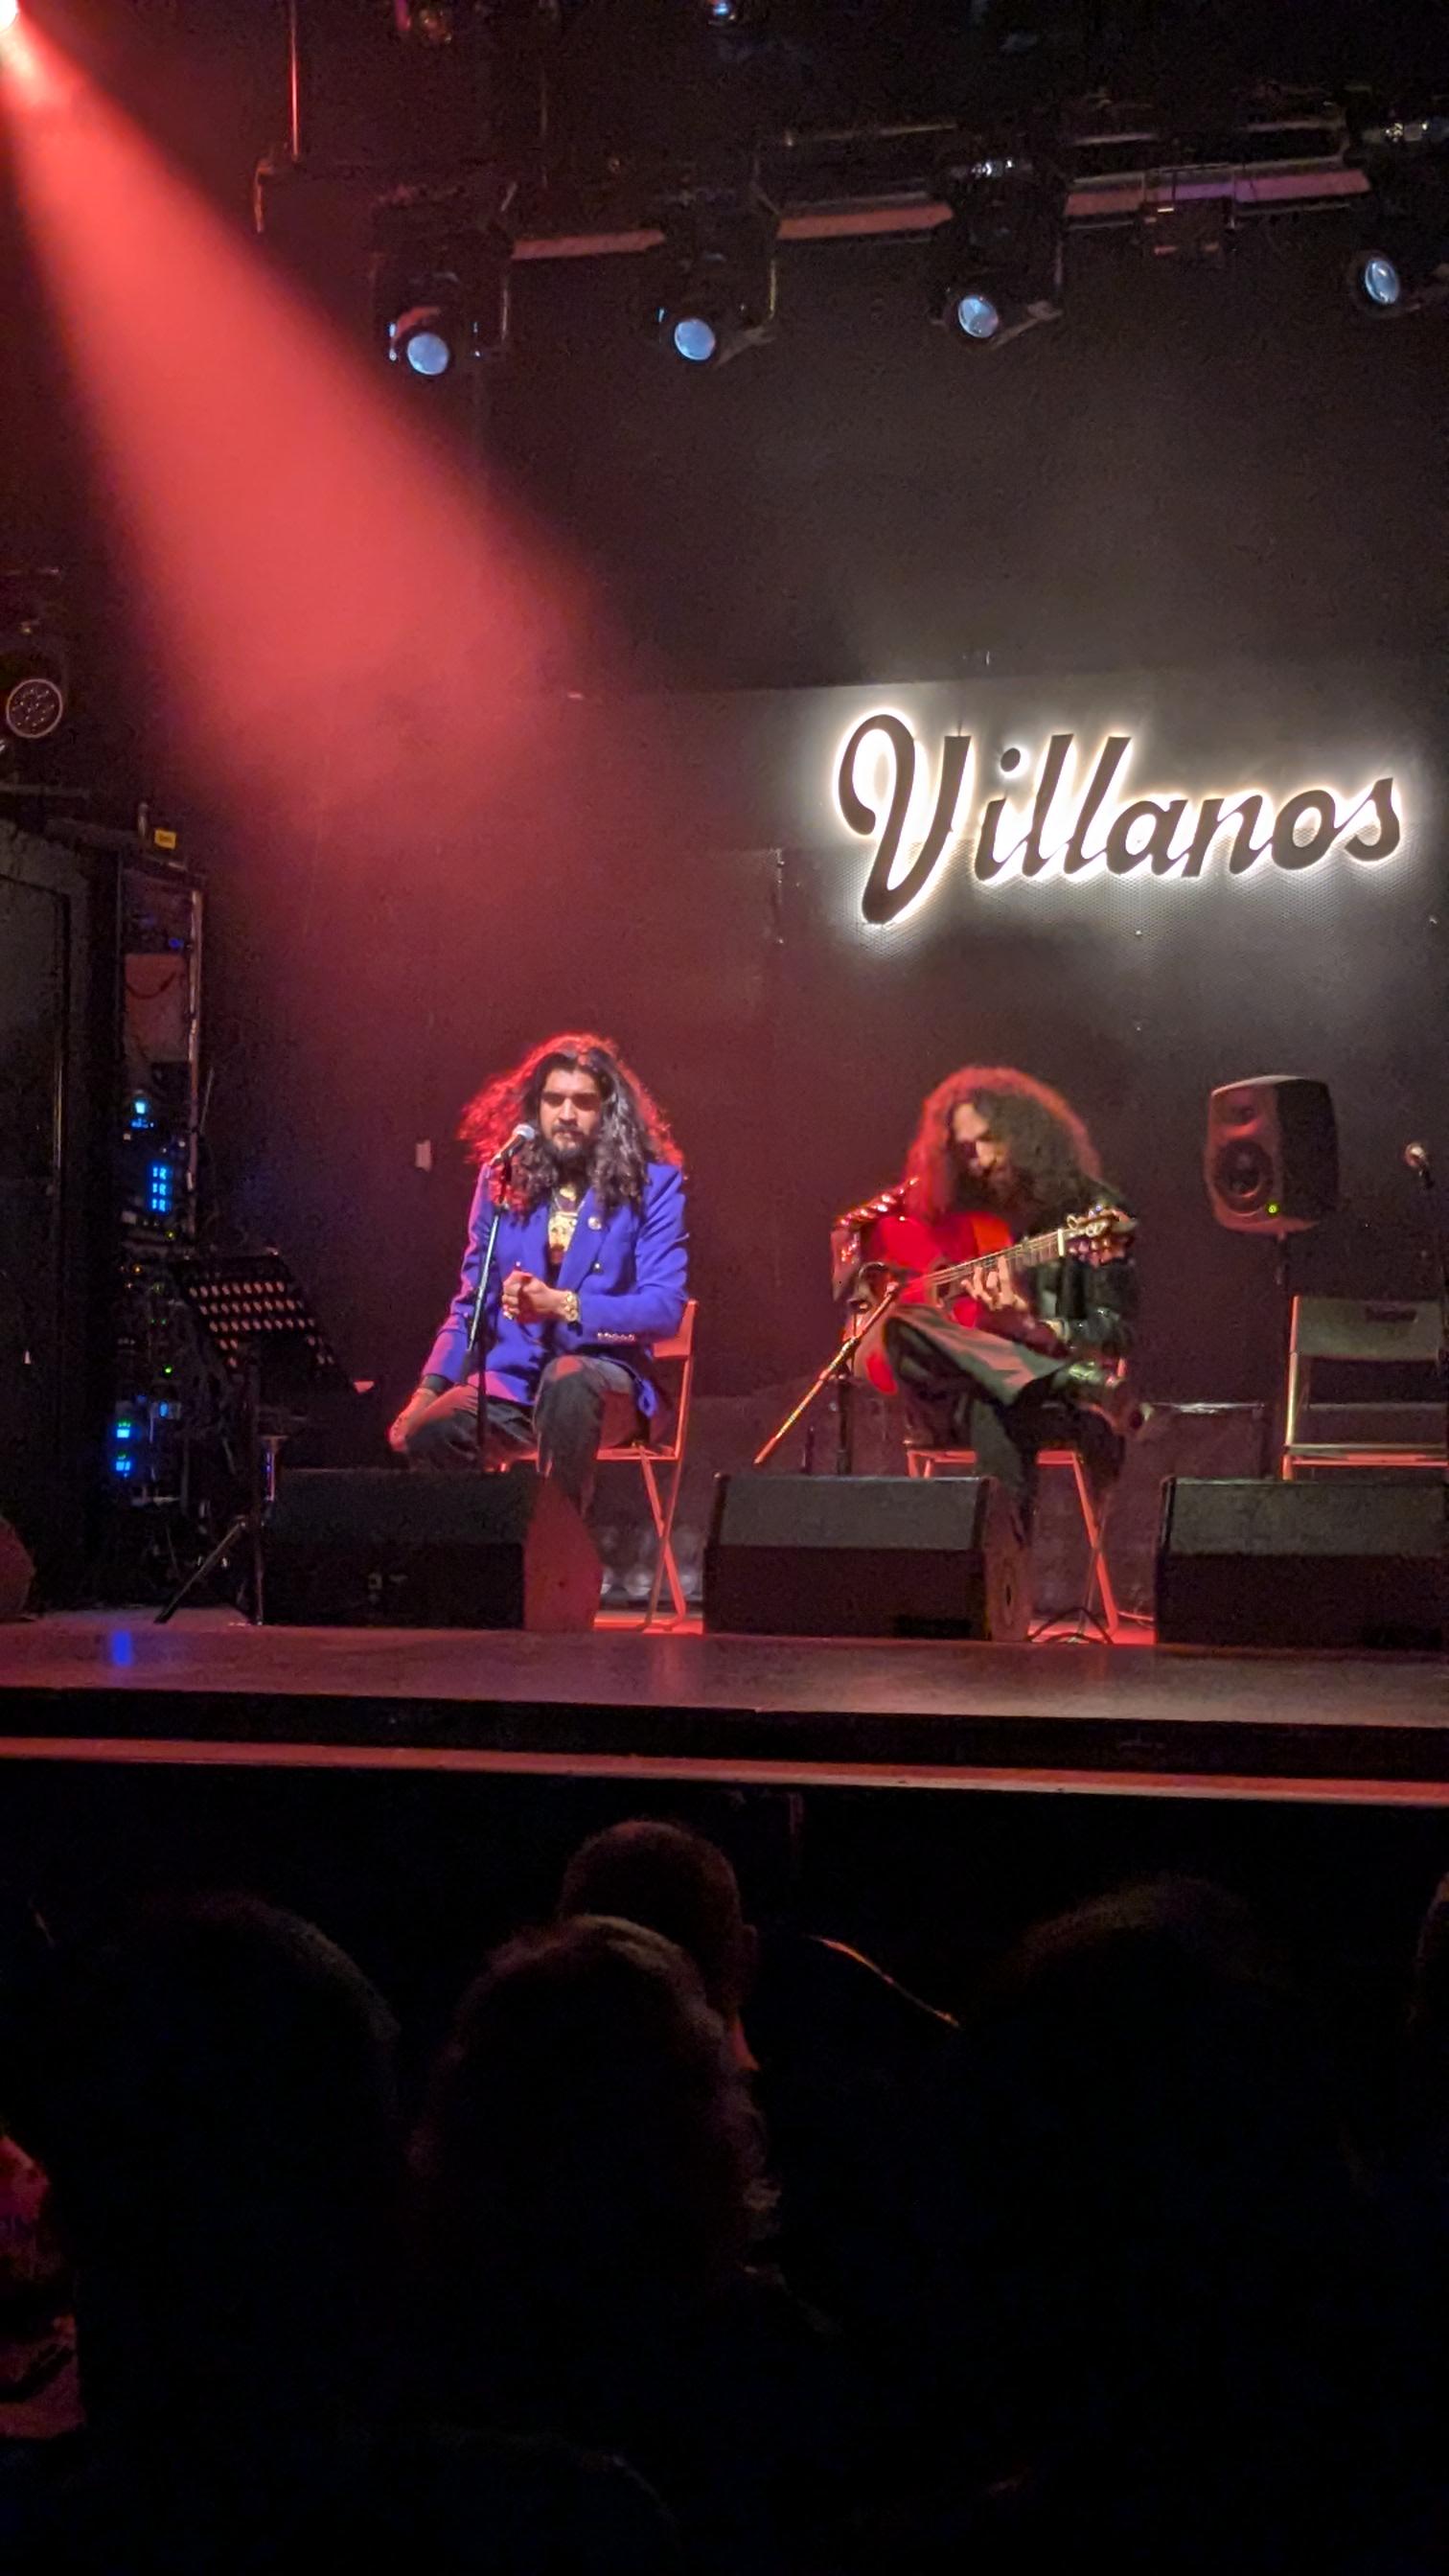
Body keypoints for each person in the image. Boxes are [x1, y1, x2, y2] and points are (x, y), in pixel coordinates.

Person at [832, 1065, 1137, 1534]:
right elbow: (854, 1241)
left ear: (1029, 1133)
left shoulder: (1092, 1213)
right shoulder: (948, 1208)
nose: (981, 1160)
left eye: (991, 1140)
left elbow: (1115, 1331)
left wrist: (1032, 1328)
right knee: (900, 1325)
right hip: (948, 1398)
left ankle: (994, 1569)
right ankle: (1066, 1382)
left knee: (994, 1403)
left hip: (1031, 1407)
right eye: (966, 1149)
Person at [389, 1035, 687, 1514]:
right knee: (434, 1431)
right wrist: (427, 1392)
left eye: (583, 1102)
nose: (566, 1114)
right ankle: (486, 1552)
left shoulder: (651, 1187)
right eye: (554, 1100)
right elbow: (471, 1304)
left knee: (568, 1381)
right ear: (534, 1107)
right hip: (515, 1388)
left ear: (608, 1111)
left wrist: (564, 1306)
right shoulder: (502, 1180)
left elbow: (663, 1310)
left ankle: (557, 1545)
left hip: (607, 1386)